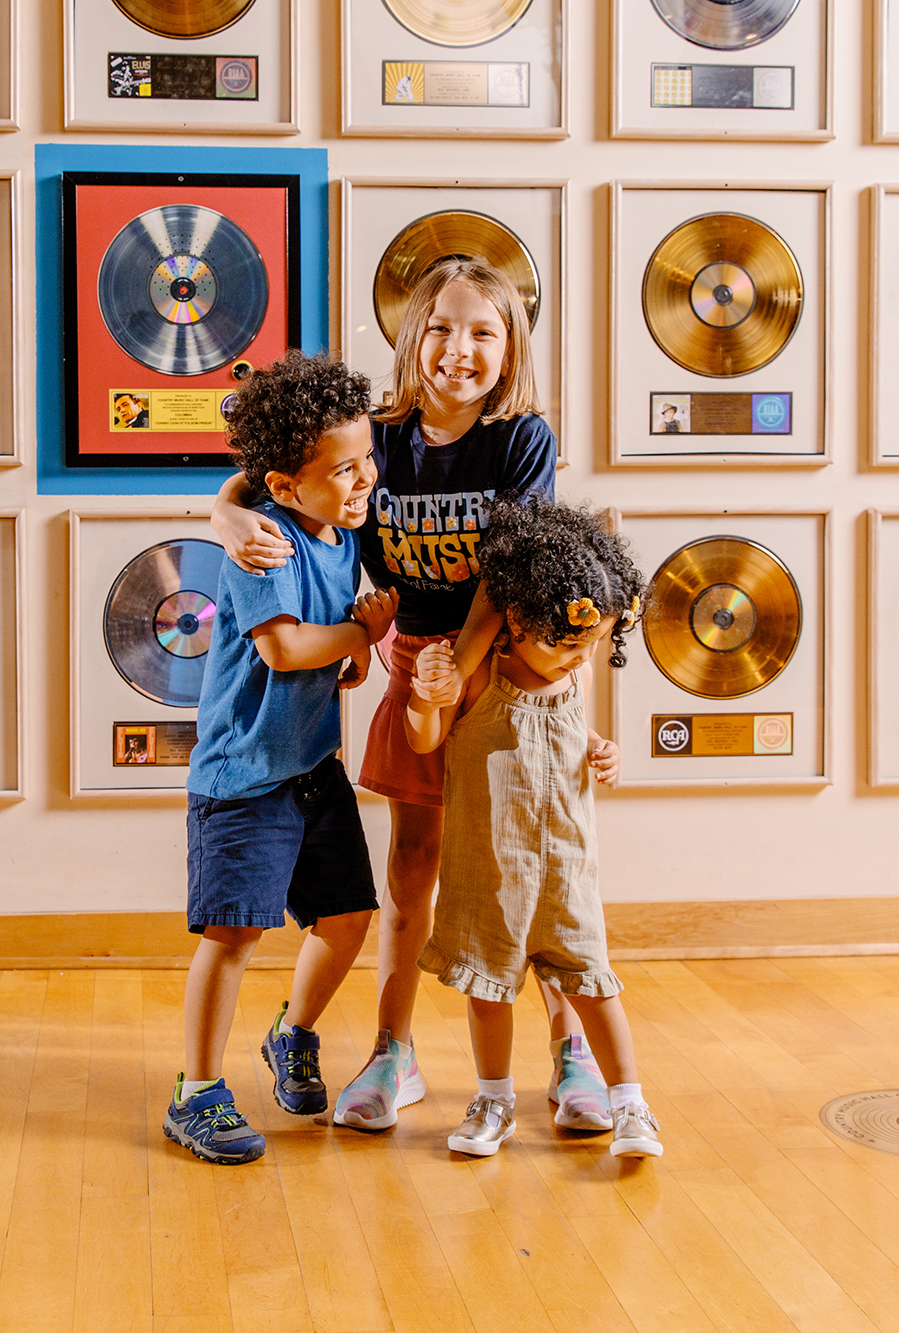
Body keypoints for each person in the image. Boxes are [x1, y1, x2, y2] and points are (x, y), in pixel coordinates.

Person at [209, 257, 609, 1135]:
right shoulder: (378, 435)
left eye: (482, 331)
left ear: (510, 349)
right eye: (439, 326)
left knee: (535, 868)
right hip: (414, 666)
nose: (457, 348)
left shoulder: (521, 439)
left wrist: (461, 667)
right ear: (409, 335)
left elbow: (512, 570)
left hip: (497, 669)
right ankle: (394, 1048)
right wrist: (223, 513)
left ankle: (570, 1049)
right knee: (411, 866)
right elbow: (270, 473)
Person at [164, 352, 399, 1166]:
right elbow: (290, 647)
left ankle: (291, 1033)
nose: (366, 477)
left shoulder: (340, 538)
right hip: (246, 778)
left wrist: (358, 653)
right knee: (233, 934)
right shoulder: (263, 542)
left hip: (311, 769)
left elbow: (336, 661)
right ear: (286, 487)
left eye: (368, 457)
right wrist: (365, 634)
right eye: (344, 469)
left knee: (348, 917)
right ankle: (196, 1092)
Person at [405, 496, 662, 1160]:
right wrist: (424, 697)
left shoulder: (571, 679)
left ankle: (630, 1100)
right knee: (490, 986)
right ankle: (494, 1096)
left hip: (567, 869)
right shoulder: (479, 679)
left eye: (592, 646)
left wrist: (603, 748)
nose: (579, 659)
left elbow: (569, 738)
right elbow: (426, 738)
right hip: (492, 871)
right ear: (515, 622)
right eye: (568, 643)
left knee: (591, 979)